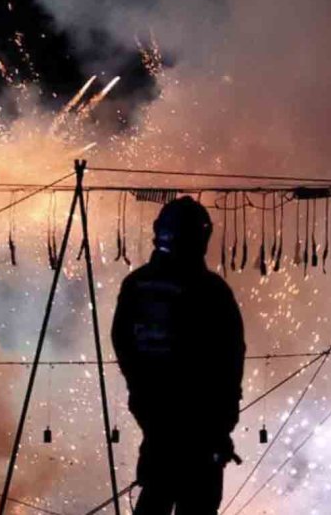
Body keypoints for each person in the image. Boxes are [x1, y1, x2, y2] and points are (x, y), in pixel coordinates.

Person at [112, 196, 246, 514]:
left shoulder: (136, 285)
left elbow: (123, 344)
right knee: (196, 502)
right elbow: (230, 358)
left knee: (156, 493)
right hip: (201, 424)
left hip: (155, 414)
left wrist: (141, 391)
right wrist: (223, 423)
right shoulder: (211, 290)